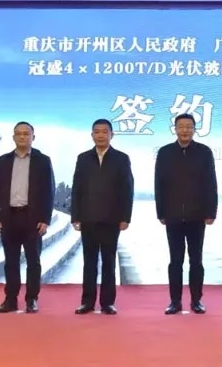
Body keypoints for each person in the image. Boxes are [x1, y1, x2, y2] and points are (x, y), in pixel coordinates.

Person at [0, 122, 55, 314]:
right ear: (13, 137)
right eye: (18, 134)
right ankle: (10, 299)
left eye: (26, 134)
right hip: (9, 217)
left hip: (32, 218)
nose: (22, 137)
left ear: (33, 137)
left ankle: (31, 299)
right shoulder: (3, 161)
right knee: (11, 261)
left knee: (33, 261)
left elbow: (49, 191)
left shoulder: (43, 161)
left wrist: (45, 218)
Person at [155, 113, 217, 315]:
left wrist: (211, 211)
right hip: (172, 214)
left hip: (197, 215)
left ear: (194, 129)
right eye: (181, 126)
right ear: (175, 129)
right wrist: (161, 212)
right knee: (175, 261)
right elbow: (159, 184)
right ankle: (175, 301)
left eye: (189, 126)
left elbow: (211, 183)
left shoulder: (204, 152)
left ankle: (196, 300)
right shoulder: (165, 152)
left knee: (196, 260)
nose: (185, 130)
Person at [72, 119, 134, 315]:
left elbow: (127, 189)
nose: (100, 135)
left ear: (111, 135)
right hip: (88, 217)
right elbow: (77, 188)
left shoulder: (121, 159)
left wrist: (125, 217)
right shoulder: (83, 158)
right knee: (89, 262)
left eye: (104, 132)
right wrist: (75, 216)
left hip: (111, 219)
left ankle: (107, 303)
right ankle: (87, 302)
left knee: (109, 261)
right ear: (92, 135)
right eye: (97, 132)